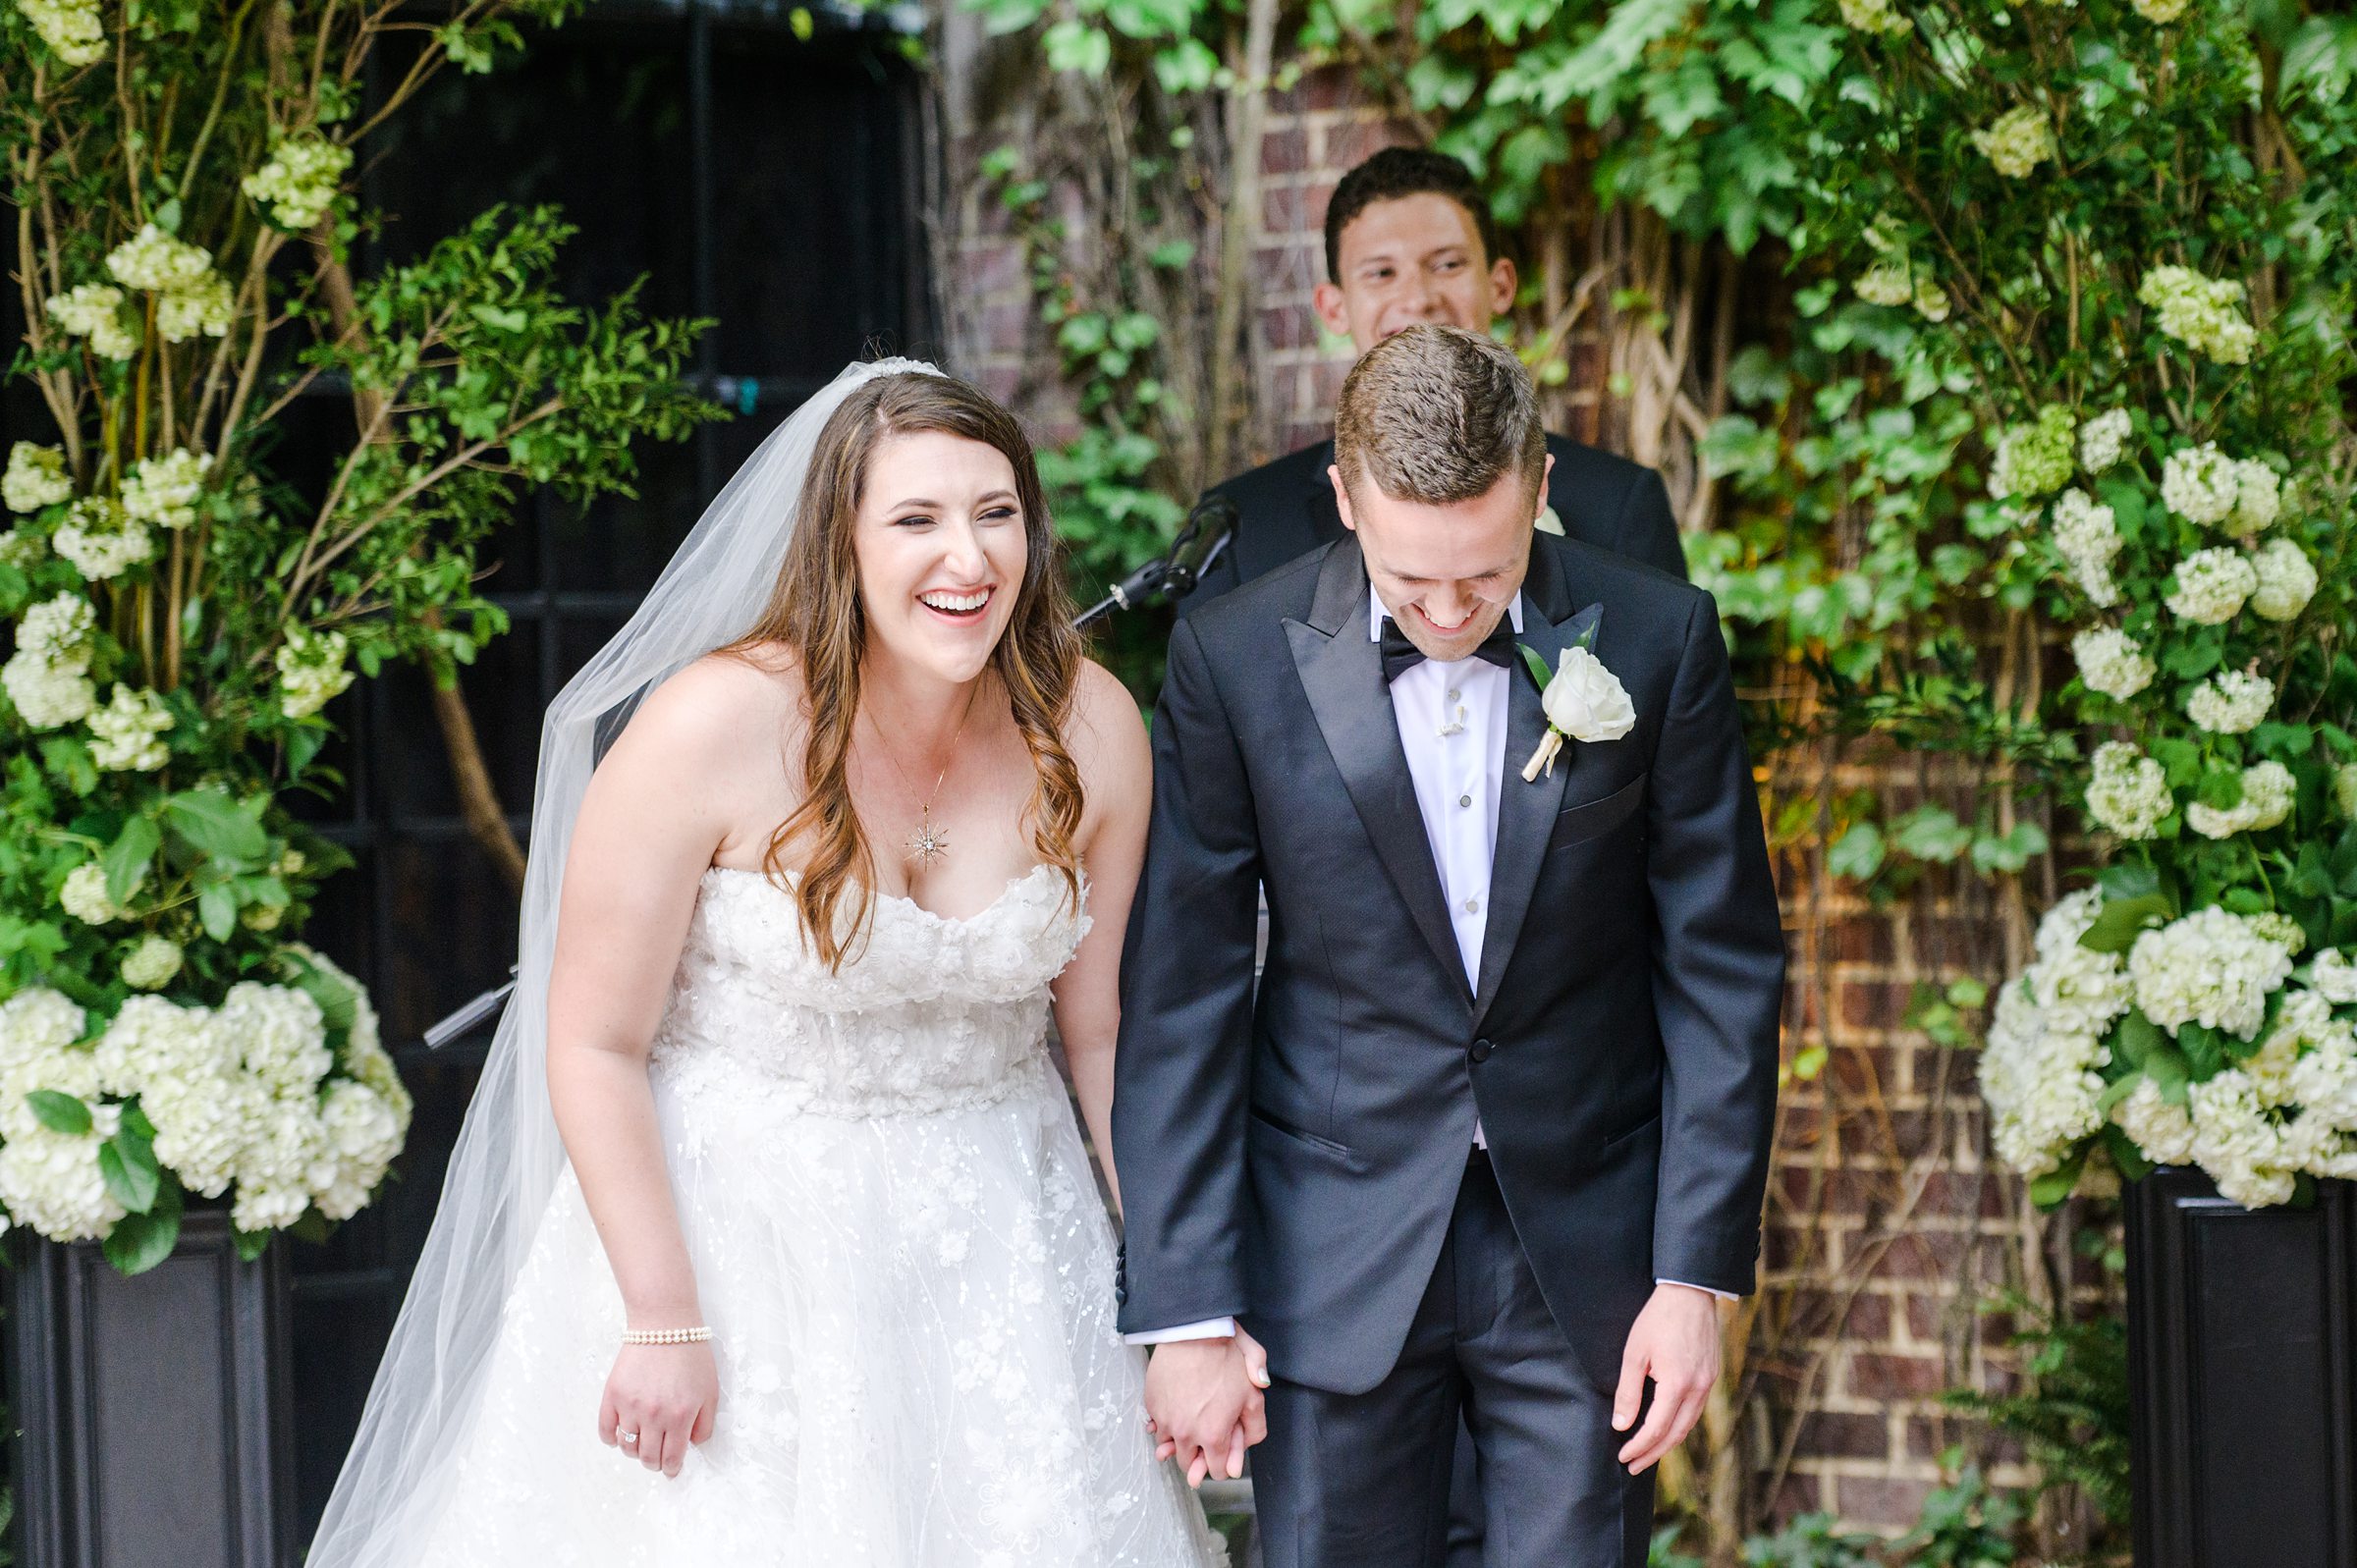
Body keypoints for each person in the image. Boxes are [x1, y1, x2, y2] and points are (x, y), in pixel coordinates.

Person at [307, 361, 1231, 1567]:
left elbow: (1101, 1035)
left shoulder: (1092, 724)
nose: (970, 558)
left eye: (996, 513)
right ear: (839, 543)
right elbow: (593, 1043)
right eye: (916, 519)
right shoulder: (711, 725)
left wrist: (1182, 1304)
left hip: (1007, 1254)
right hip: (738, 1257)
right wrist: (660, 1315)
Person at [1115, 325, 1782, 1567]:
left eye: (1483, 575)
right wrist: (1190, 1308)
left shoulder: (1659, 636)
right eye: (1412, 580)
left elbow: (1722, 971)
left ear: (1539, 490)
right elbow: (1184, 995)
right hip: (1331, 1244)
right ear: (1344, 498)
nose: (1447, 612)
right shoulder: (1233, 658)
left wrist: (1695, 1280)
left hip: (1587, 1255)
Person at [1182, 145, 1684, 617]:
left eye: (1447, 264)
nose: (1419, 298)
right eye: (1381, 273)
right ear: (1334, 307)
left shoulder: (1621, 506)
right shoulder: (1240, 528)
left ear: (1501, 284)